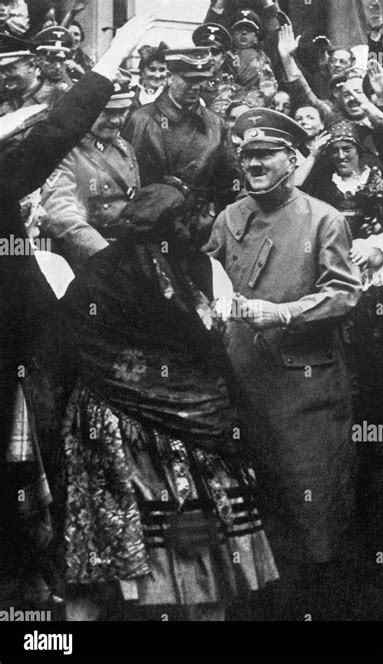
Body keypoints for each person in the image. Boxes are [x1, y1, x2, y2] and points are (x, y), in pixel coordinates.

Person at [54, 180, 278, 621]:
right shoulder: (199, 268)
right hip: (182, 427)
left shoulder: (100, 269)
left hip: (112, 423)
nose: (193, 225)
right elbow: (218, 336)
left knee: (116, 550)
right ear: (178, 223)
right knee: (199, 549)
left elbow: (67, 339)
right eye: (187, 218)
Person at [0, 10, 163, 607]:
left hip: (24, 331)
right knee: (38, 445)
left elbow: (51, 130)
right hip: (16, 341)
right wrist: (114, 53)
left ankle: (36, 573)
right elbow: (56, 133)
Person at [206, 108, 362, 620]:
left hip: (304, 394)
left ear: (293, 161)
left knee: (310, 511)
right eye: (246, 154)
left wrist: (286, 312)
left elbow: (344, 295)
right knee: (253, 513)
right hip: (241, 385)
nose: (252, 163)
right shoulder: (228, 218)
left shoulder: (323, 218)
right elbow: (207, 281)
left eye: (265, 154)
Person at [122, 47, 240, 246]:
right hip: (154, 230)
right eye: (190, 79)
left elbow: (231, 181)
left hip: (201, 231)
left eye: (201, 79)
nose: (197, 86)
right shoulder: (141, 120)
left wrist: (213, 213)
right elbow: (128, 182)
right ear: (169, 77)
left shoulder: (215, 124)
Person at [41, 80, 140, 271]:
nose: (116, 120)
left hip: (125, 248)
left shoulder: (124, 147)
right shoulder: (66, 151)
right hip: (88, 256)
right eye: (107, 112)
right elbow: (61, 214)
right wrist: (106, 256)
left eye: (122, 112)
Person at [128, 42, 169, 115]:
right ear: (142, 72)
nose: (157, 75)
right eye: (152, 70)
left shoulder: (171, 96)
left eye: (162, 70)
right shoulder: (131, 95)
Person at [33, 25, 74, 93]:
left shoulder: (72, 90)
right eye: (51, 60)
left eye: (61, 61)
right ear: (38, 60)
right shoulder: (28, 83)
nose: (58, 66)